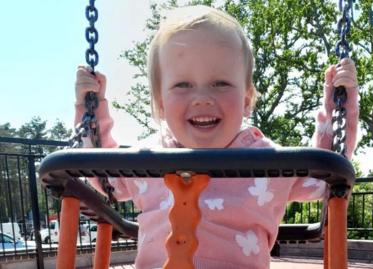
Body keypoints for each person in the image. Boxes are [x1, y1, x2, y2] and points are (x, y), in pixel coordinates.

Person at [75, 5, 358, 269]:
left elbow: (323, 178)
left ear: (247, 100)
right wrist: (91, 108)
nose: (202, 98)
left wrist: (338, 107)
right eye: (183, 85)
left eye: (220, 83)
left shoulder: (268, 161)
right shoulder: (146, 158)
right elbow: (105, 180)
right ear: (160, 102)